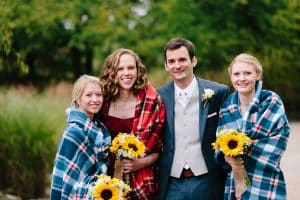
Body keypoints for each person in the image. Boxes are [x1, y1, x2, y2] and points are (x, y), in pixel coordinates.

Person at [157, 37, 230, 200]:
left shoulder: (218, 92)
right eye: (172, 61)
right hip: (171, 182)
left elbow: (229, 131)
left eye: (182, 59)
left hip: (206, 179)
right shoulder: (158, 96)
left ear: (193, 61)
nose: (177, 65)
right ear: (166, 66)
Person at [217, 53, 290, 199]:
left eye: (247, 73)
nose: (242, 78)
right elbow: (219, 143)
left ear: (258, 75)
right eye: (236, 74)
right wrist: (228, 155)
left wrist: (241, 149)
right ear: (231, 77)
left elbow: (279, 140)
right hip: (234, 181)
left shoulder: (271, 101)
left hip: (265, 177)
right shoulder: (226, 107)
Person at [98, 48, 166, 199]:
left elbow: (160, 149)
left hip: (142, 181)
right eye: (120, 69)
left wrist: (140, 163)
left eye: (131, 68)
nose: (126, 73)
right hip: (104, 180)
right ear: (112, 72)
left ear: (138, 70)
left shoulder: (151, 101)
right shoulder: (102, 102)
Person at [50, 75, 111, 200]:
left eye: (98, 95)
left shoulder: (100, 128)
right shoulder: (74, 131)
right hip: (76, 194)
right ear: (78, 100)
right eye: (88, 95)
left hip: (99, 192)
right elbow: (64, 174)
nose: (95, 99)